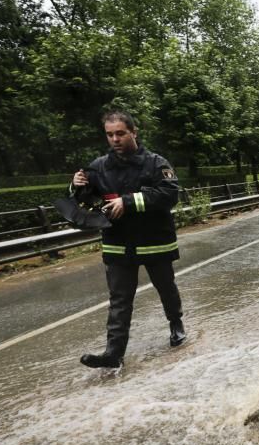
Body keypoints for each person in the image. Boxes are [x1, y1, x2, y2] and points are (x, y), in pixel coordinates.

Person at [72, 111, 186, 369]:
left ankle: (175, 323)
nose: (115, 139)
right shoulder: (99, 166)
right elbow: (87, 200)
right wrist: (77, 185)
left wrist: (128, 201)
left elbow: (170, 194)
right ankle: (114, 353)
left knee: (165, 287)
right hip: (118, 241)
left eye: (120, 133)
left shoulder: (156, 163)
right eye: (110, 134)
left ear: (134, 132)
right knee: (119, 299)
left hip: (155, 239)